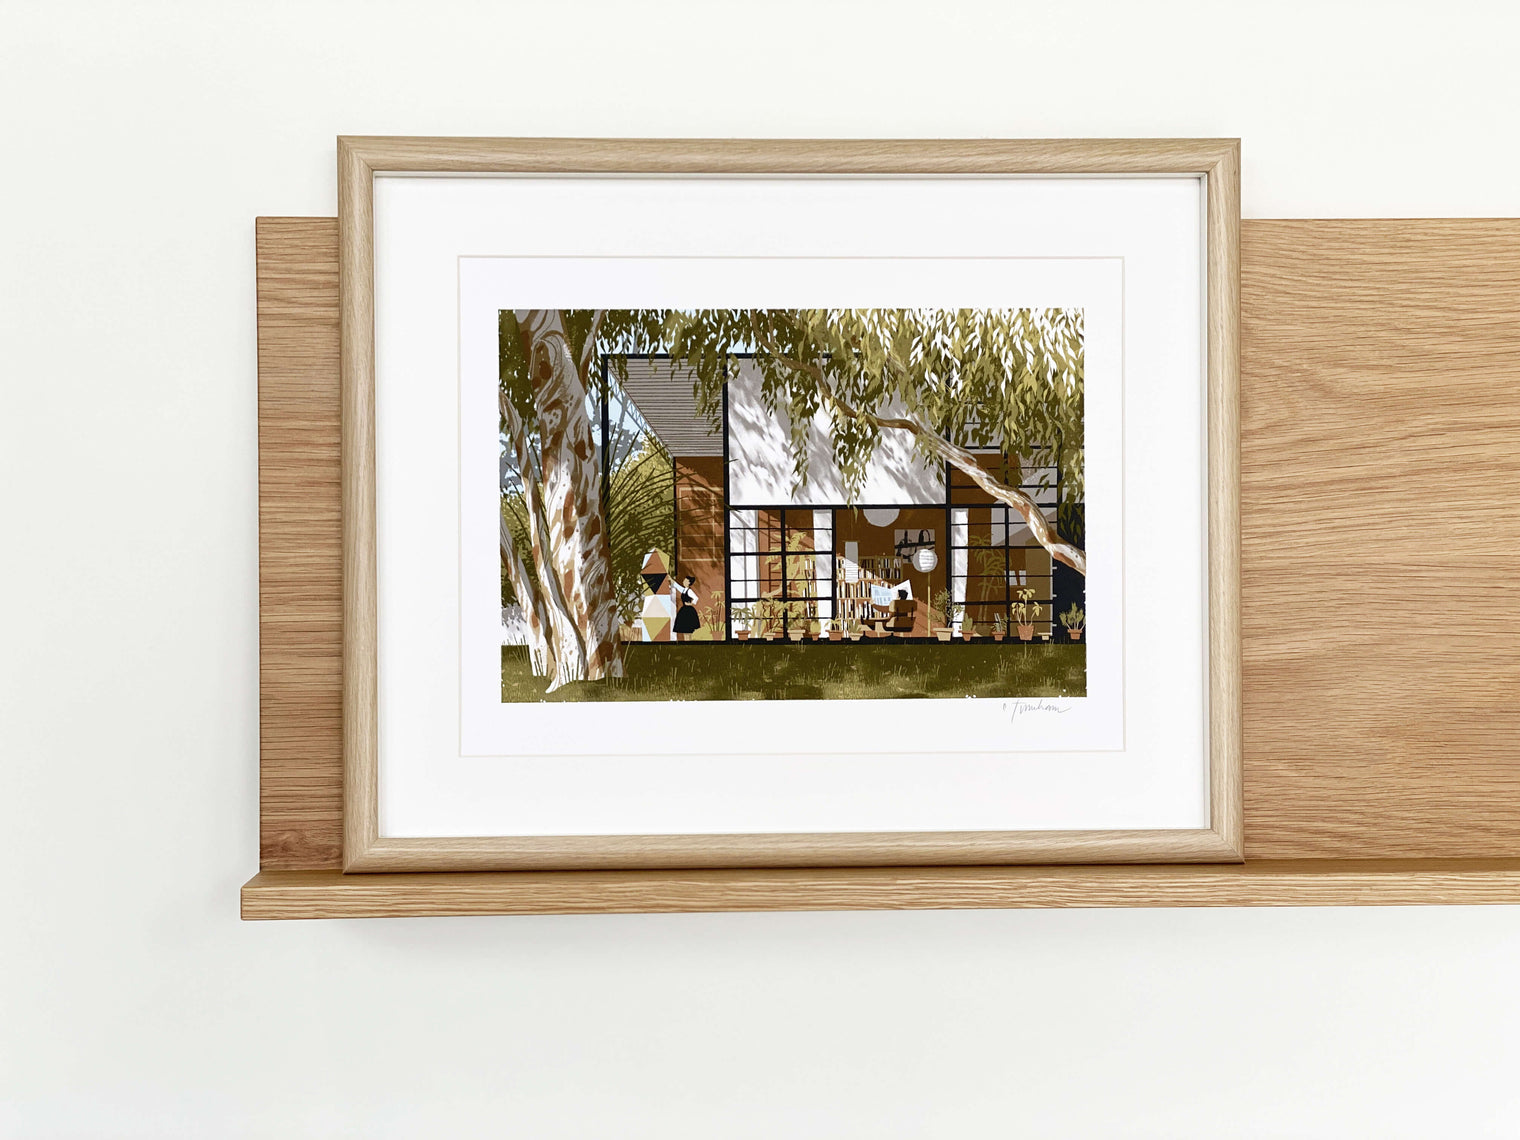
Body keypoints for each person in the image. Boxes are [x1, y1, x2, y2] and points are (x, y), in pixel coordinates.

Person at [671, 574, 700, 641]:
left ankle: (688, 643)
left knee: (688, 631)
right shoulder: (684, 590)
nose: (684, 582)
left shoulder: (689, 591)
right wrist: (670, 579)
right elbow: (677, 586)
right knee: (685, 630)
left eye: (685, 581)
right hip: (684, 611)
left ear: (689, 583)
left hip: (688, 612)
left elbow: (696, 598)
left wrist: (691, 603)